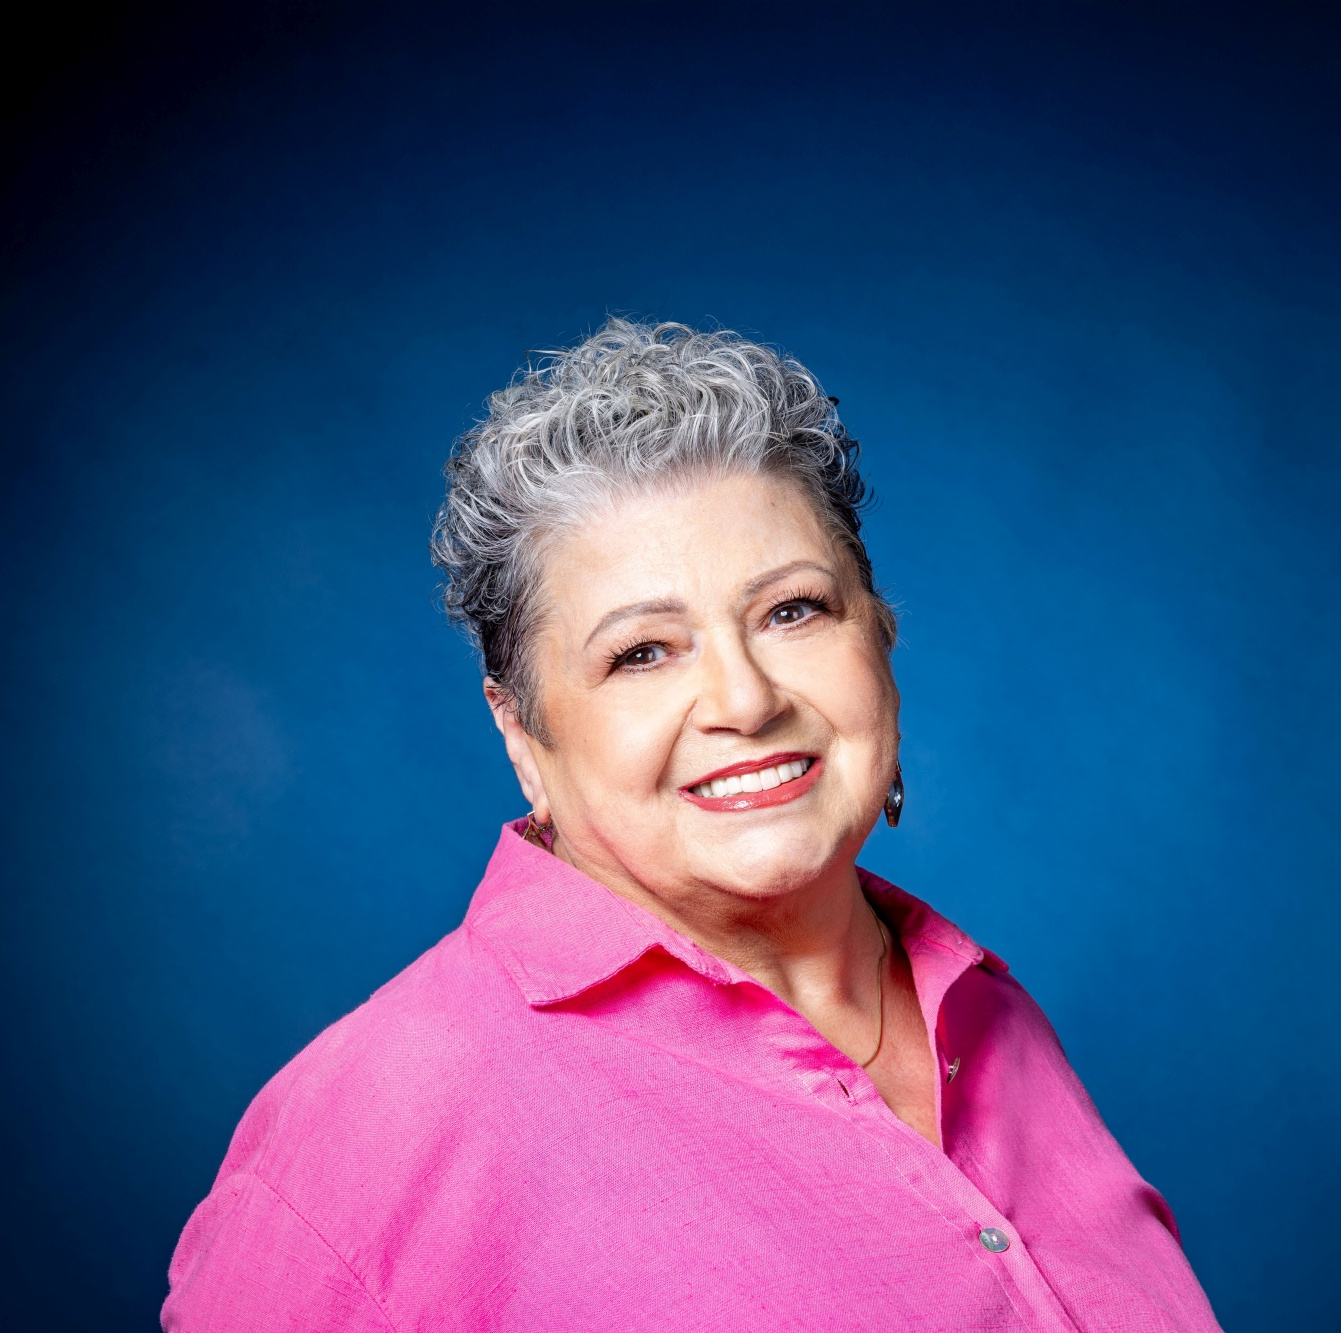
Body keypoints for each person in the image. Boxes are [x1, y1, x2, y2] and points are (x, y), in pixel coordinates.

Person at [162, 319, 1221, 1331]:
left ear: (880, 635)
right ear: (522, 732)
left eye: (792, 610)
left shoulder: (986, 1013)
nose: (744, 700)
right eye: (642, 653)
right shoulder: (372, 1131)